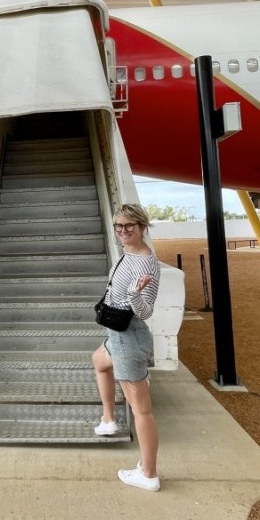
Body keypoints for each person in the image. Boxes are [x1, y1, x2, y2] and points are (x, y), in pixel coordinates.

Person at [91, 203, 162, 491]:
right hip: (118, 335)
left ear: (143, 227)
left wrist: (134, 295)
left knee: (141, 411)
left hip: (129, 337)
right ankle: (108, 419)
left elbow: (146, 312)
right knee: (98, 361)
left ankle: (149, 474)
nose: (123, 231)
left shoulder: (145, 263)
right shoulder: (128, 253)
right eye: (119, 226)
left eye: (129, 226)